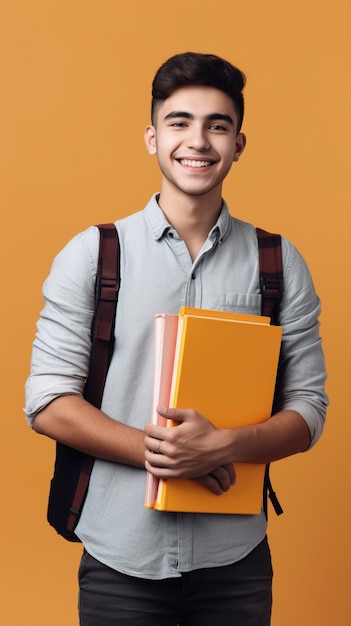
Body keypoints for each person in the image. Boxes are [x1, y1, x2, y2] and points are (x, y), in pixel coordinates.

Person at [25, 52, 328, 626]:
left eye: (218, 125)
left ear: (239, 143)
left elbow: (309, 409)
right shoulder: (93, 254)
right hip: (120, 559)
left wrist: (224, 448)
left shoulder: (278, 262)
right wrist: (166, 454)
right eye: (180, 122)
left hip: (235, 562)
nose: (199, 141)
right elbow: (46, 401)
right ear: (152, 137)